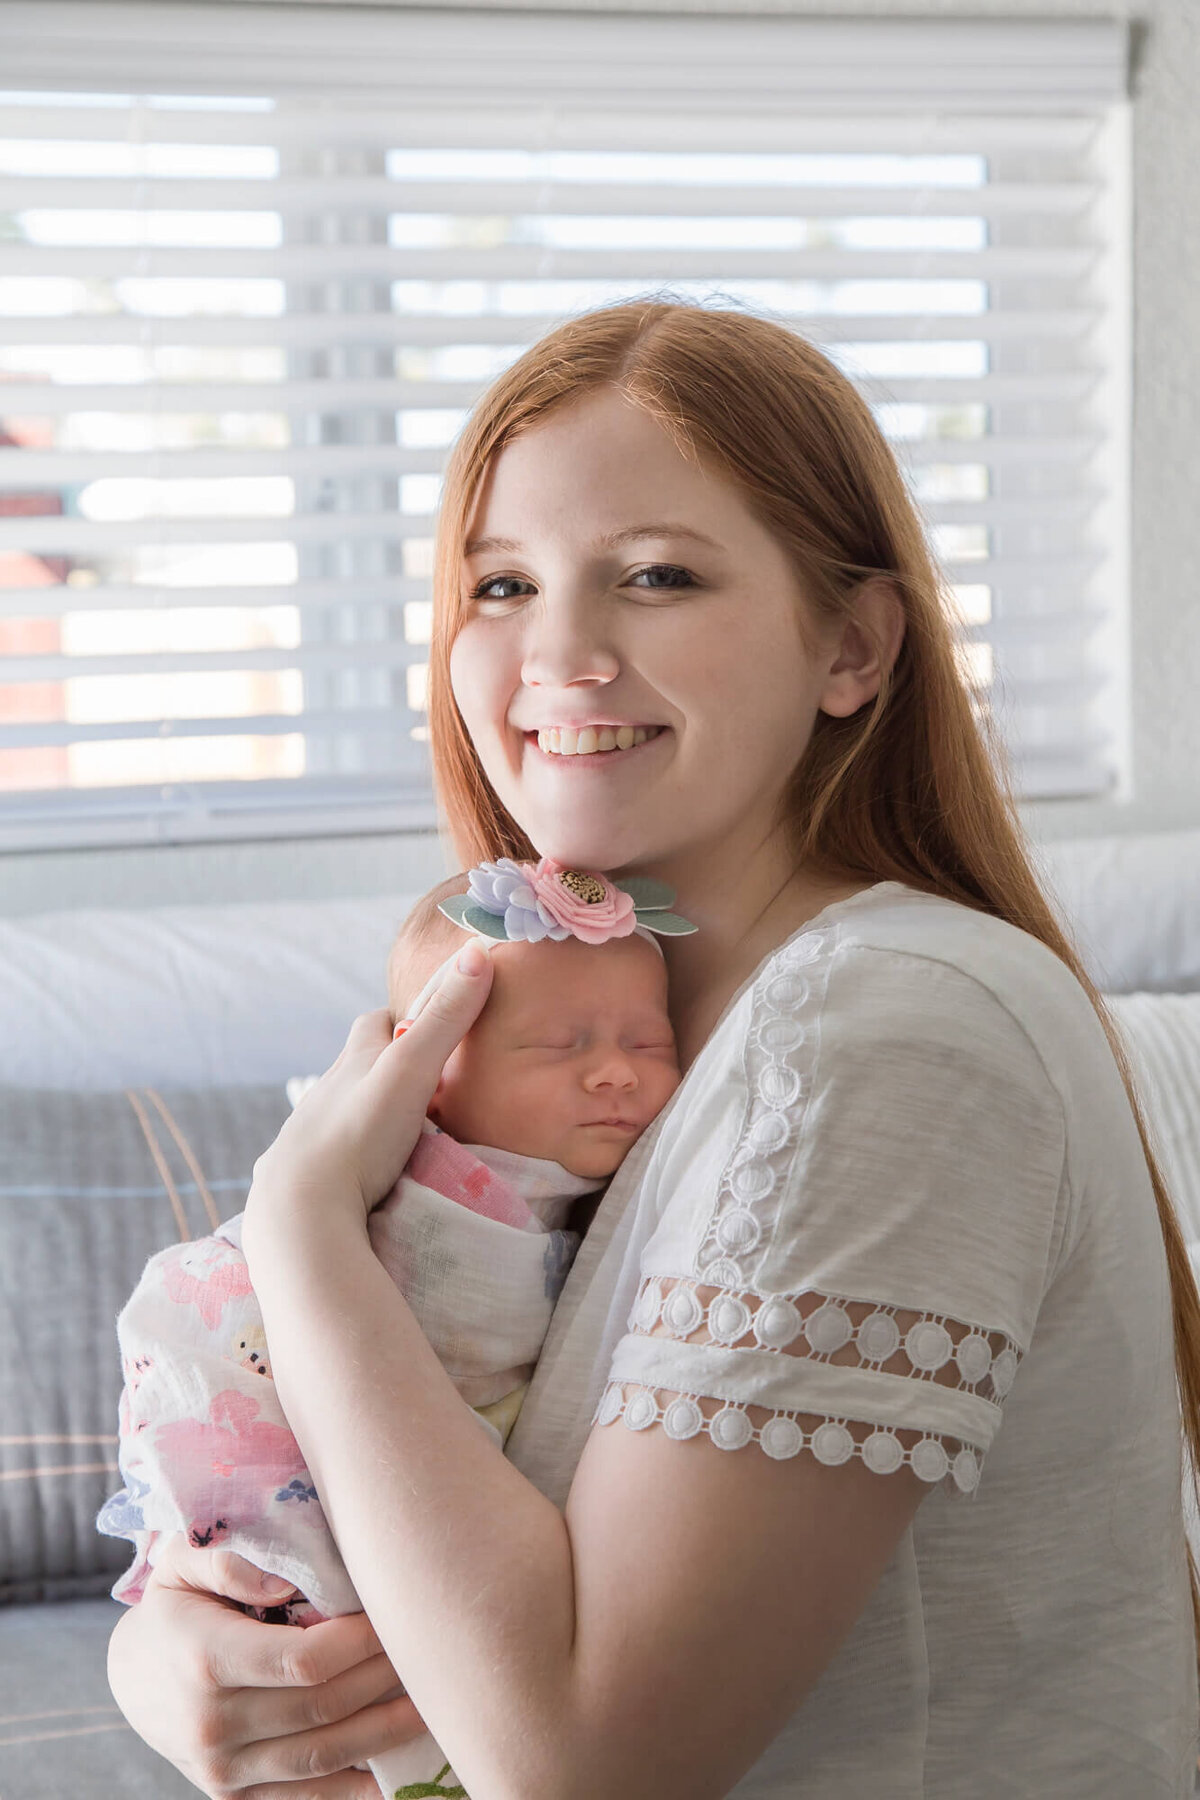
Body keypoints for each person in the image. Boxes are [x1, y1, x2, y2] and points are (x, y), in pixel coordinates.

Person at [106, 297, 1200, 1799]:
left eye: (657, 575)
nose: (561, 653)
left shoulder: (883, 1029)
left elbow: (580, 1762)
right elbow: (354, 1466)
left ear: (855, 648)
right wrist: (165, 1649)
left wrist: (304, 1228)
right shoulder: (580, 1033)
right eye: (500, 585)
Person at [98, 865, 683, 1797]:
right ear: (432, 1070)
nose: (616, 1070)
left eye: (649, 1041)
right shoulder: (437, 1190)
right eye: (555, 1045)